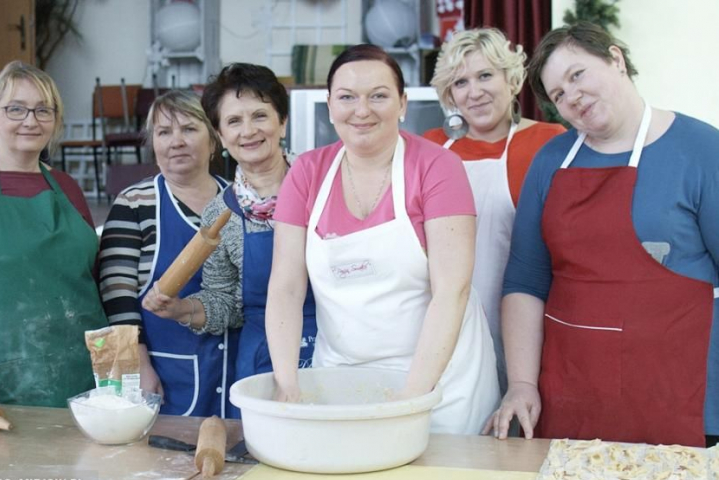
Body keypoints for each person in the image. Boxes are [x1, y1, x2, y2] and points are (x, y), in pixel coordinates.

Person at [485, 22, 719, 448]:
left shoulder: (701, 150)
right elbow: (525, 282)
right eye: (557, 95)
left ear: (615, 58)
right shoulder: (551, 162)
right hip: (573, 391)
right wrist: (521, 383)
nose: (571, 96)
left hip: (678, 394)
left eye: (577, 75)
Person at [266, 44, 500, 434]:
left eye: (378, 96)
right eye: (347, 97)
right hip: (340, 379)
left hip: (441, 383)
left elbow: (451, 291)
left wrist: (412, 396)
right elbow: (287, 287)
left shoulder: (437, 167)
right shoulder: (306, 173)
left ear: (402, 103)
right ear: (329, 105)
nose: (362, 110)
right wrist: (288, 383)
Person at [142, 64, 317, 404]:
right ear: (220, 136)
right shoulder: (220, 213)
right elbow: (225, 302)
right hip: (259, 361)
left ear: (283, 122)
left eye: (260, 116)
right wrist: (182, 310)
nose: (248, 131)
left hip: (331, 349)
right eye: (234, 121)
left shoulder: (322, 186)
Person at [0, 61, 107, 411]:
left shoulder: (69, 188)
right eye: (16, 108)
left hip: (84, 386)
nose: (31, 121)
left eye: (43, 110)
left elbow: (90, 281)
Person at [424, 28, 565, 395]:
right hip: (443, 320)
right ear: (449, 94)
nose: (474, 92)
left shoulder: (548, 143)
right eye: (460, 82)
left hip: (525, 319)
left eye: (485, 75)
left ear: (511, 78)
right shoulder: (431, 149)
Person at [100, 90, 234, 417]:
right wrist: (137, 368)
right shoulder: (134, 202)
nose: (177, 141)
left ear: (214, 140)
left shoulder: (240, 201)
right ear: (153, 144)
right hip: (161, 378)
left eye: (189, 129)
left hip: (236, 371)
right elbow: (115, 299)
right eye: (164, 132)